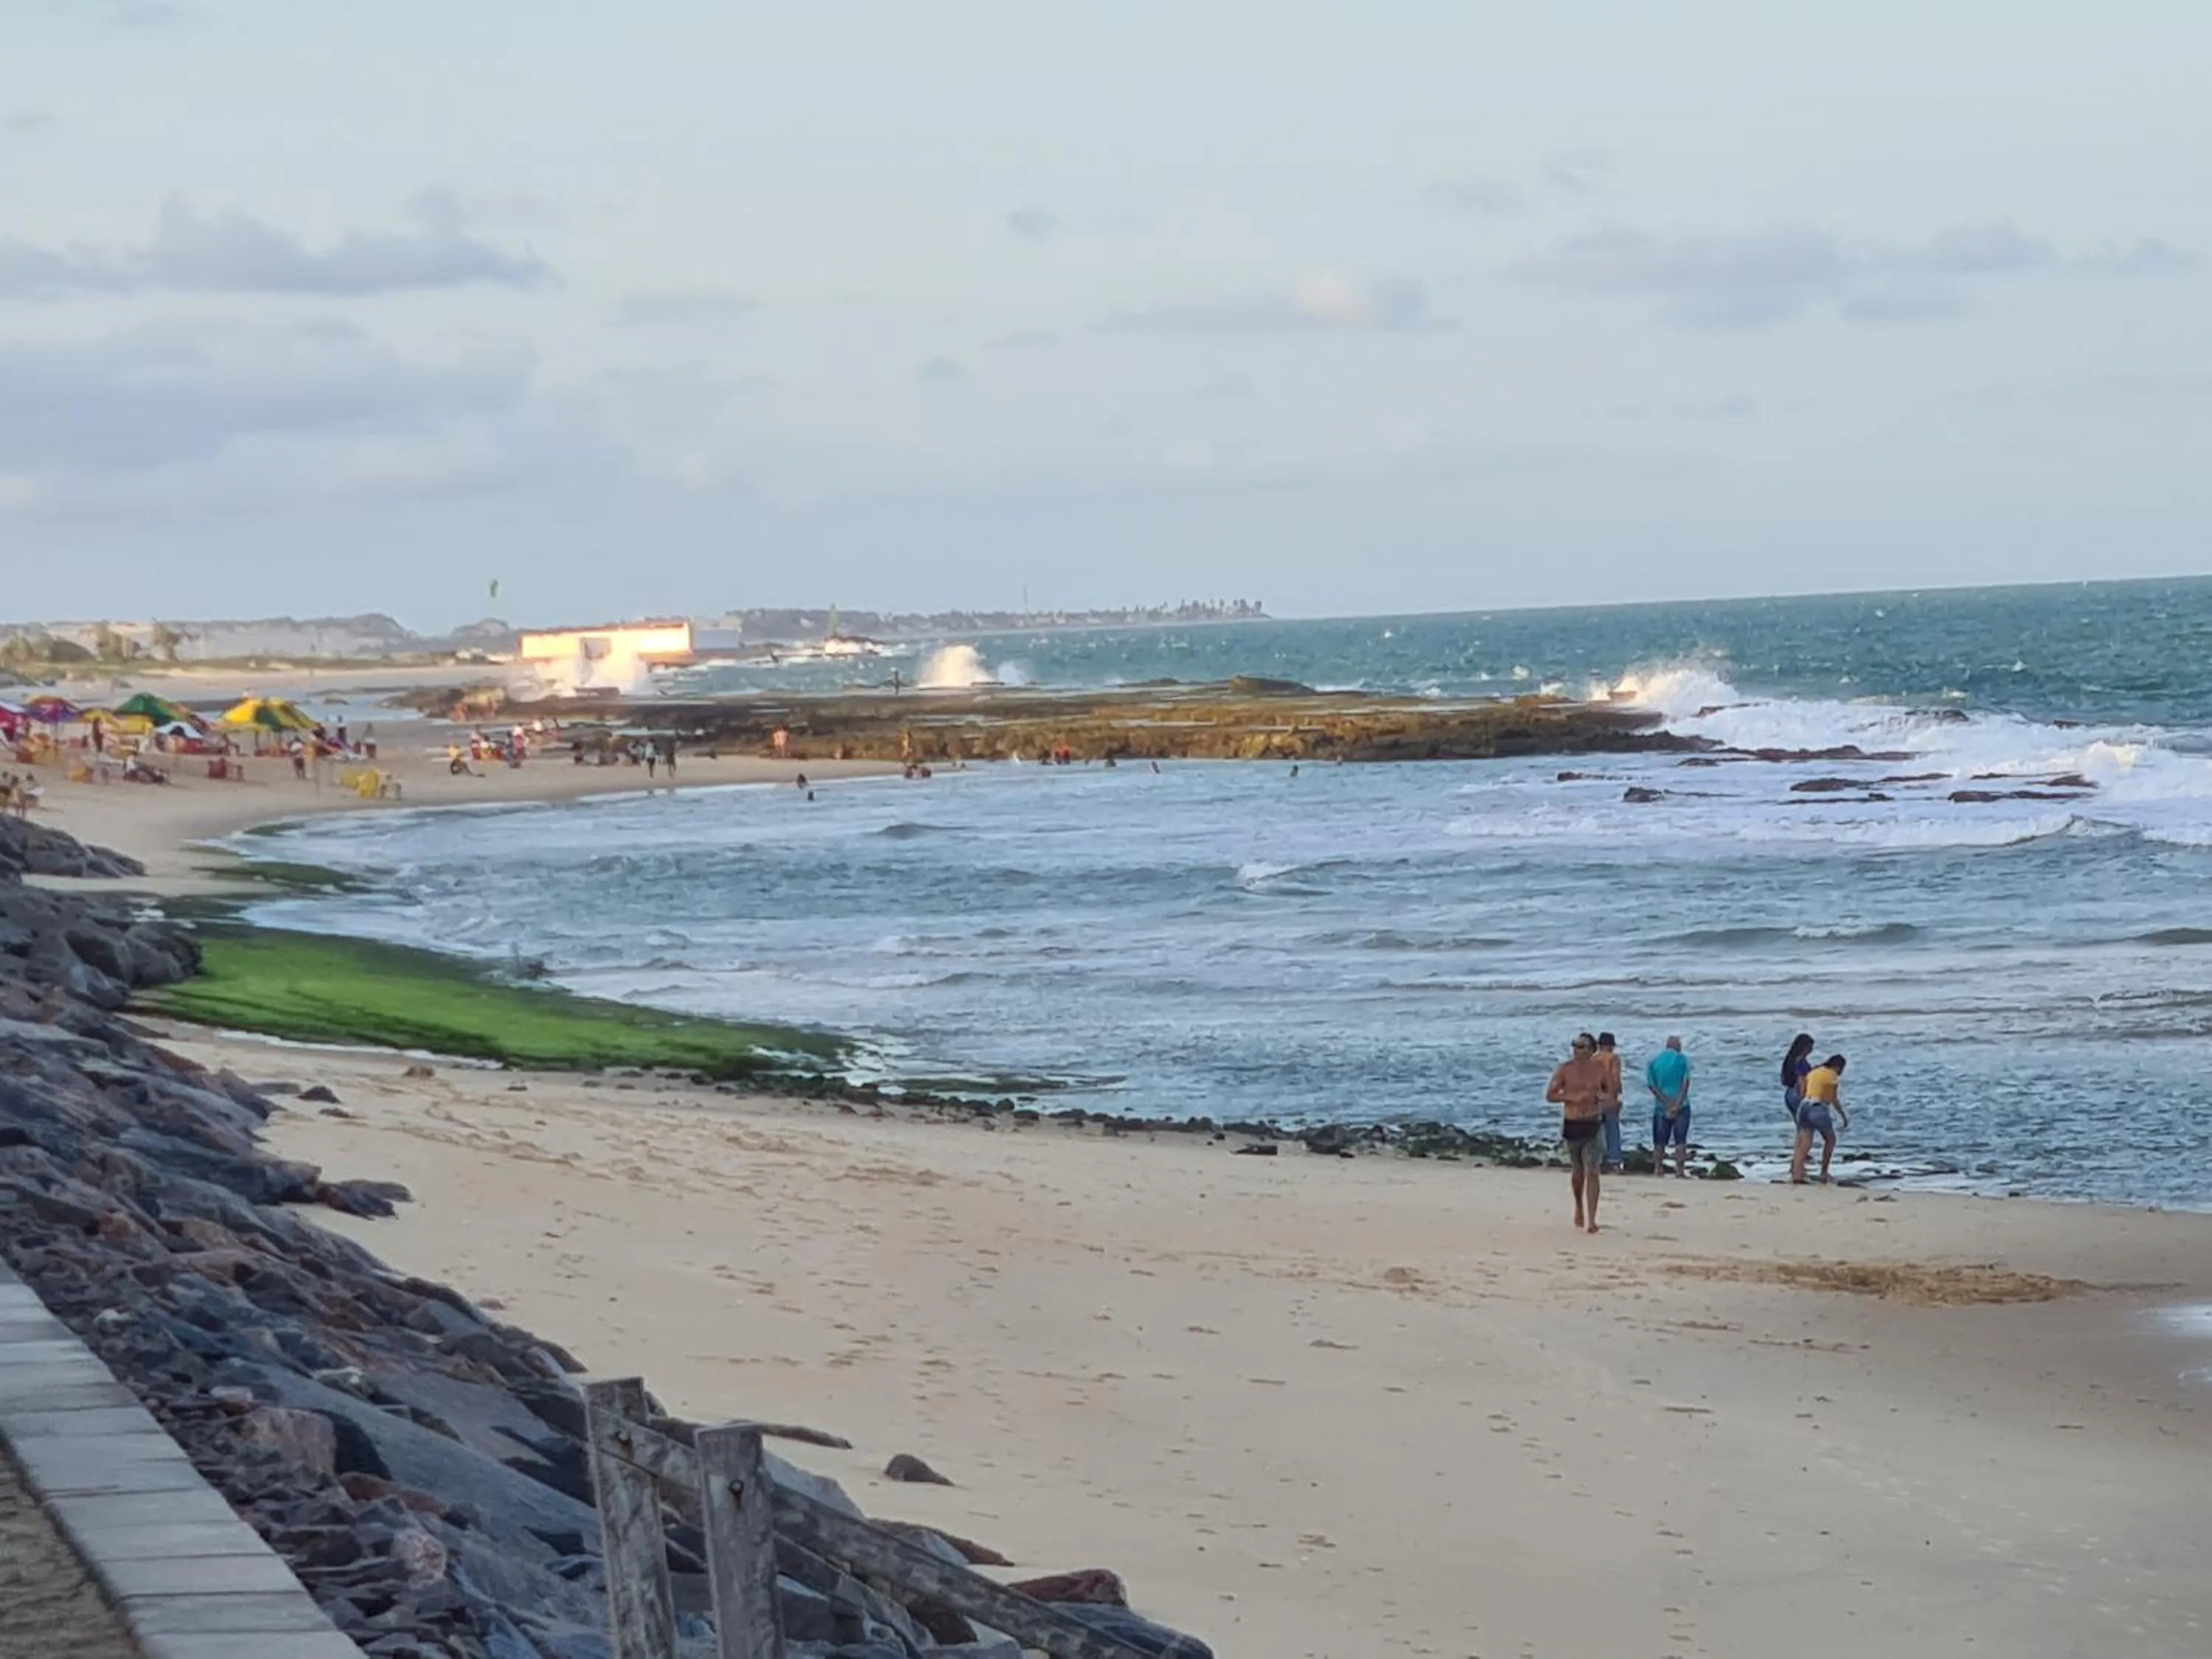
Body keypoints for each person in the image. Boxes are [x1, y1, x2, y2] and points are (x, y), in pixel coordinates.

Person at [1546, 1032, 1611, 1234]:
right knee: (1578, 1172)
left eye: (1582, 1046)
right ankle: (1578, 1206)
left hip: (1593, 1123)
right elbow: (1550, 1095)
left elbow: (1611, 1092)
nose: (1577, 1050)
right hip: (1573, 1123)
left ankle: (1592, 1219)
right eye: (1575, 1046)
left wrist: (1603, 1097)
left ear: (1592, 1050)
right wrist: (1573, 1098)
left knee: (1593, 1169)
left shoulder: (1600, 1070)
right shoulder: (1565, 1070)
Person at [1790, 1054, 1850, 1184]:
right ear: (1838, 1067)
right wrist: (1843, 1116)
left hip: (1804, 1106)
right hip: (1817, 1108)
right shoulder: (1832, 1076)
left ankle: (1797, 1174)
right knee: (1830, 1139)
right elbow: (1833, 1099)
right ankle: (1824, 1173)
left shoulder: (1813, 1072)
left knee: (1804, 1144)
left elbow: (1804, 1090)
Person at [1646, 1036, 1692, 1177]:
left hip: (1661, 1106)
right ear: (1676, 1046)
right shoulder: (1682, 1059)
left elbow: (1652, 1085)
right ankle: (1680, 1170)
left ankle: (1658, 1168)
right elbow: (1686, 1083)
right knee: (1680, 1139)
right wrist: (1677, 1103)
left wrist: (1666, 1102)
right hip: (1682, 1105)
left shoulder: (1654, 1061)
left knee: (1659, 1140)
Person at [1595, 1032, 1624, 1172]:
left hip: (1595, 1100)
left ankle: (1598, 1160)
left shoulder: (1593, 1059)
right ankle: (1614, 1161)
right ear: (1611, 1045)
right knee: (1612, 1131)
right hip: (1610, 1099)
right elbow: (1615, 1079)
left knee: (1597, 1132)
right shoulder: (1614, 1059)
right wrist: (1617, 1097)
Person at [1780, 1032, 1816, 1123]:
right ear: (1805, 1047)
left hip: (1789, 1094)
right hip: (1798, 1093)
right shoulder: (1800, 1061)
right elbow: (1801, 1079)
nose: (1812, 1049)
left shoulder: (1790, 1060)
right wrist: (1803, 1097)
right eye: (1810, 1047)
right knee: (1807, 1128)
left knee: (1800, 1127)